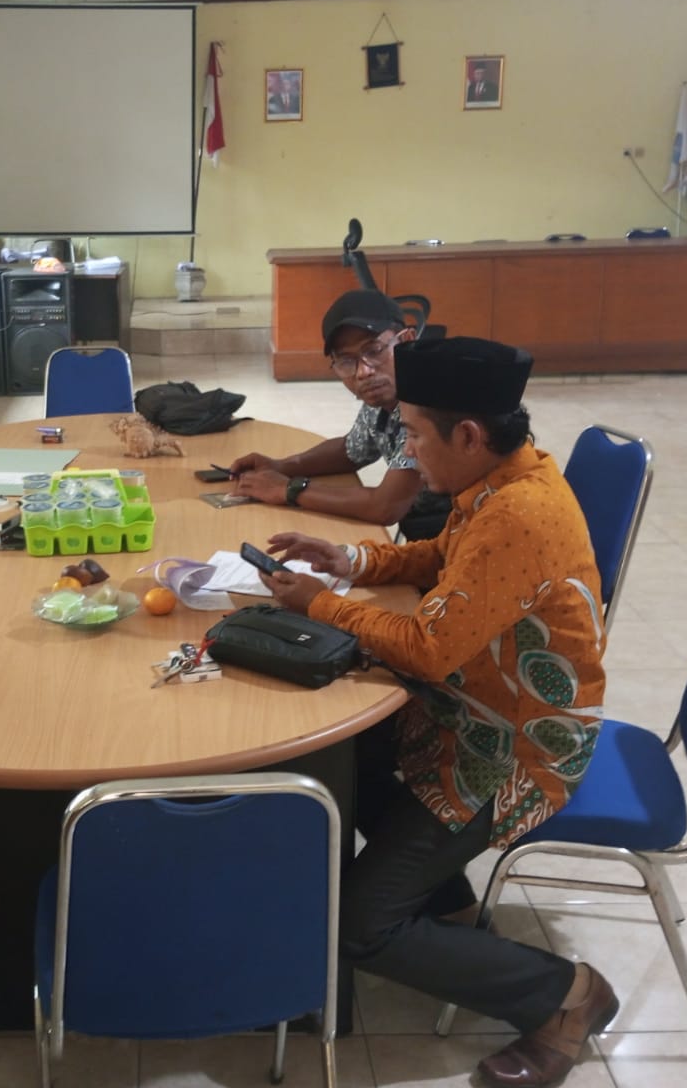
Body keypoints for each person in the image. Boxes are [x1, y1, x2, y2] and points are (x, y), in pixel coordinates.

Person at [258, 336, 615, 1088]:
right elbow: (442, 557)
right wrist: (352, 561)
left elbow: (427, 648)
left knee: (361, 926)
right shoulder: (501, 479)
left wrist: (322, 604)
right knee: (345, 752)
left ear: (469, 435)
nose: (410, 452)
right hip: (470, 709)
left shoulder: (519, 513)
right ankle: (444, 901)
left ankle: (566, 997)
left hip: (514, 747)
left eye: (417, 435)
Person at [227, 290, 450, 534]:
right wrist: (280, 467)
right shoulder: (384, 393)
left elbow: (385, 506)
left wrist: (289, 489)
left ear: (406, 340)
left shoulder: (429, 403)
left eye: (374, 350)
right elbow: (350, 451)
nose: (363, 372)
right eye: (346, 361)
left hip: (459, 532)